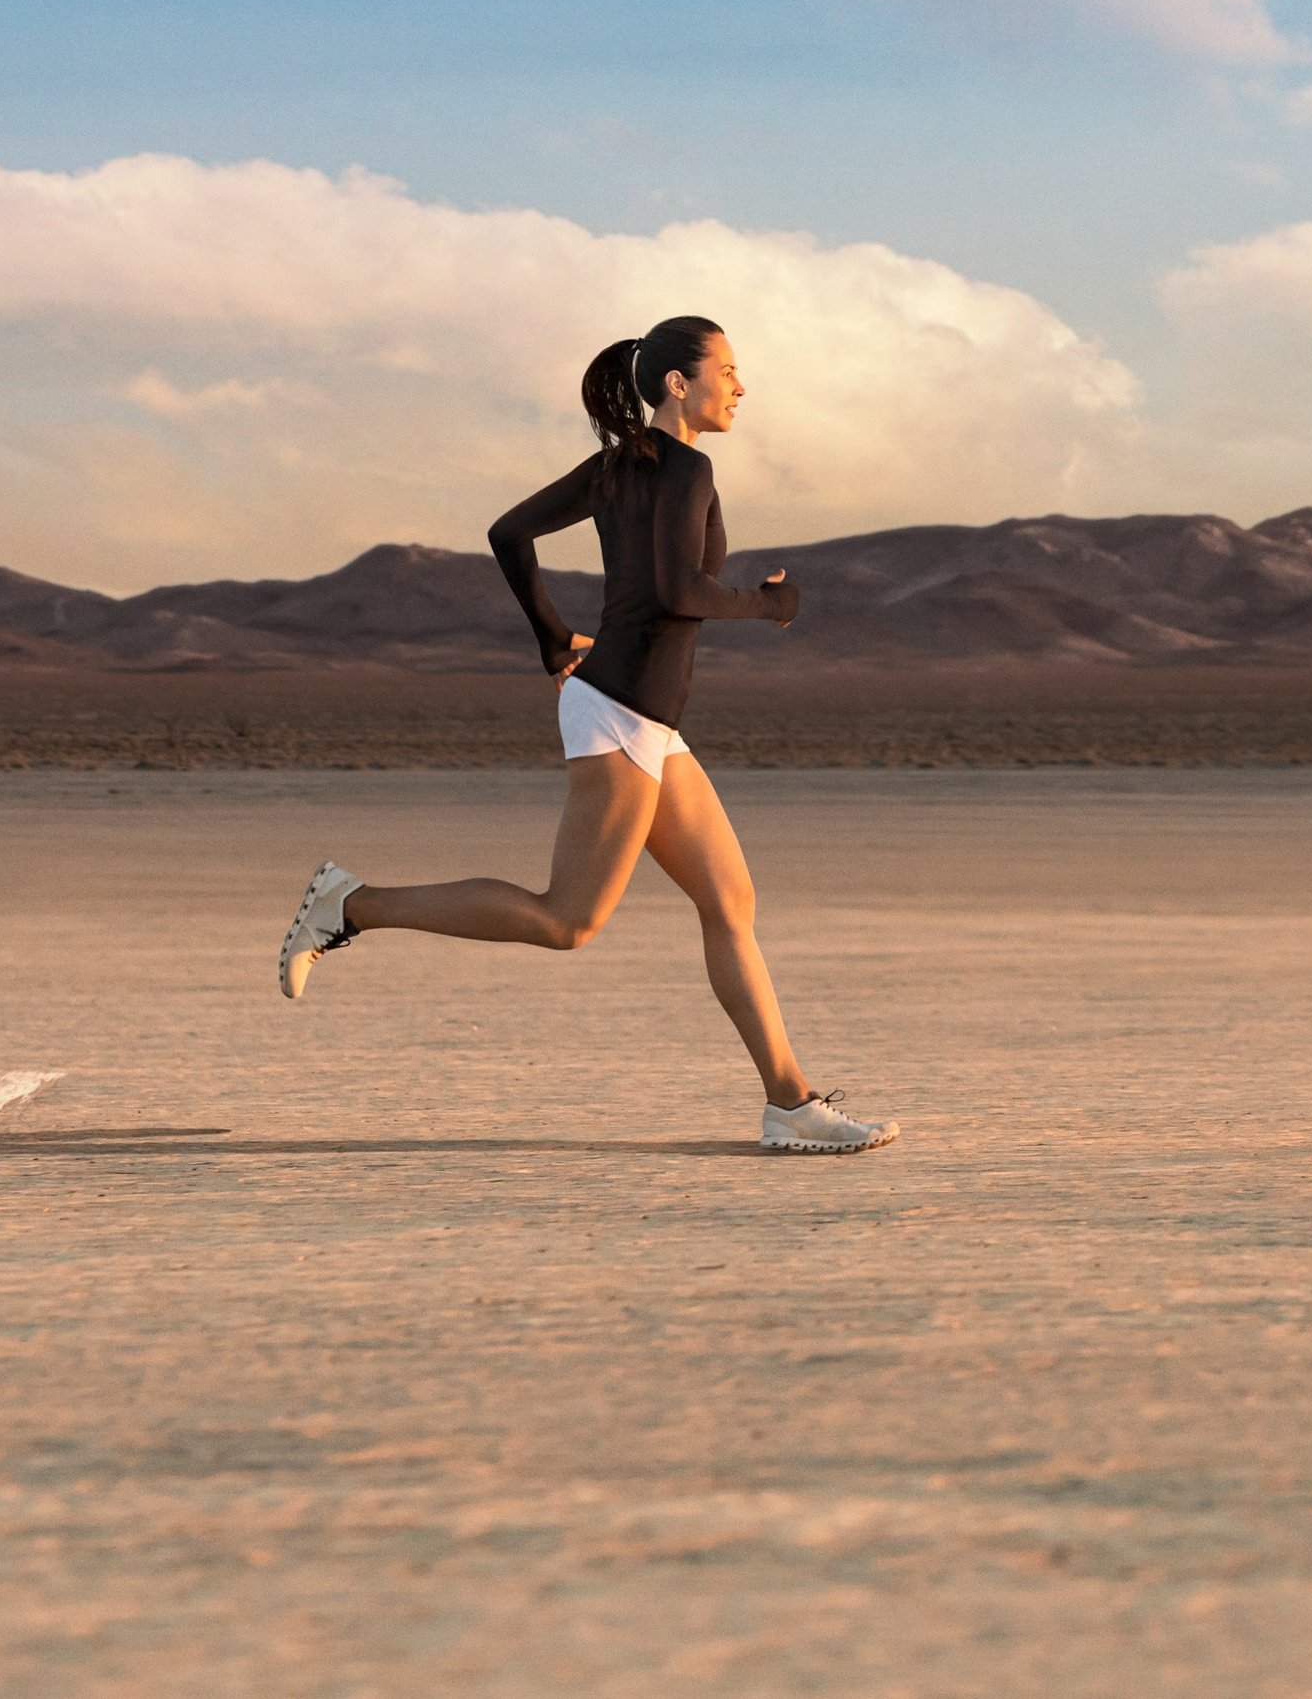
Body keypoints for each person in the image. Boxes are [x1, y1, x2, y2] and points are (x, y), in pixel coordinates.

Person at [272, 316, 897, 1155]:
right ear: (680, 383)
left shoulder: (616, 466)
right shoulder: (684, 468)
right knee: (567, 920)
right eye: (729, 370)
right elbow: (681, 590)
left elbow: (508, 534)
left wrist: (549, 634)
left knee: (729, 901)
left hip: (642, 716)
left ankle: (790, 1102)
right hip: (619, 714)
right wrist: (770, 604)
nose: (741, 387)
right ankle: (349, 904)